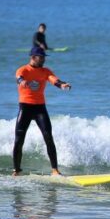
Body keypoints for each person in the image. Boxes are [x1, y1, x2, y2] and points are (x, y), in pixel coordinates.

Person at [13, 46, 71, 176]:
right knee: (19, 140)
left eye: (44, 57)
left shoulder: (45, 71)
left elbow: (53, 79)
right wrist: (21, 82)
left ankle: (55, 170)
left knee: (48, 137)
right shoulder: (23, 69)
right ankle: (16, 170)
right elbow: (19, 77)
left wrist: (61, 85)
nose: (44, 59)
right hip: (25, 107)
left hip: (40, 108)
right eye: (41, 57)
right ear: (33, 57)